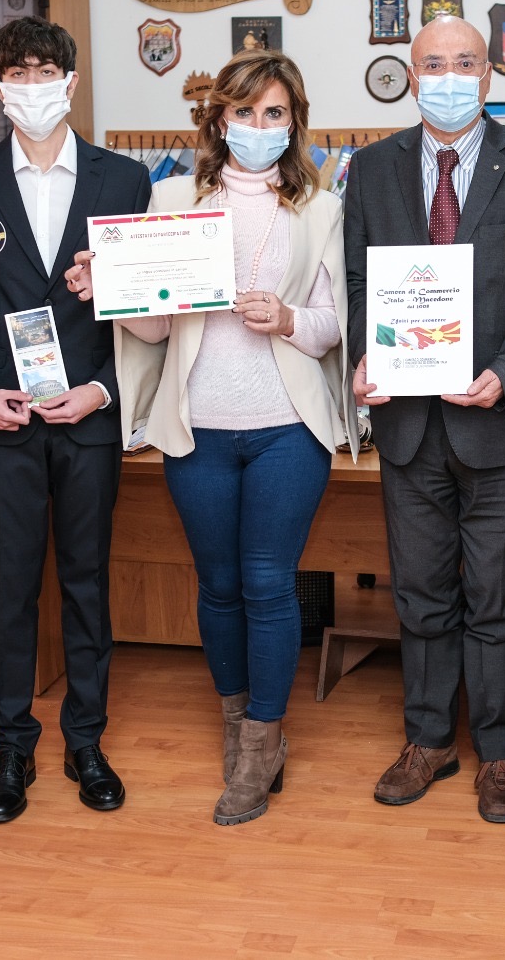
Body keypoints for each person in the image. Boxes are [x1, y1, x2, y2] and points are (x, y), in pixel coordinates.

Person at [65, 49, 354, 825]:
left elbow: (332, 328)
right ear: (218, 119)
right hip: (197, 429)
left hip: (287, 427)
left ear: (293, 123)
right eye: (244, 111)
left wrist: (287, 319)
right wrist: (113, 290)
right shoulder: (167, 199)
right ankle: (237, 722)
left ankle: (261, 743)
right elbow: (156, 328)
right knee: (219, 586)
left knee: (268, 583)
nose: (259, 126)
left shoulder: (321, 207)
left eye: (274, 113)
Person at [345, 16, 505, 825]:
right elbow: (358, 282)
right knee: (420, 594)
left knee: (499, 596)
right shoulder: (372, 168)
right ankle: (428, 740)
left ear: (488, 75)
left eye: (464, 63)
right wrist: (365, 356)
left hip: (501, 425)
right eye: (433, 64)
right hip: (408, 427)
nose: (448, 77)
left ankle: (499, 751)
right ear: (411, 75)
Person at [0, 16, 151, 823]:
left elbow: (144, 311)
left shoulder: (123, 180)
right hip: (6, 419)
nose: (33, 85)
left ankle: (86, 738)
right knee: (12, 585)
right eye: (17, 73)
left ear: (71, 81)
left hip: (88, 416)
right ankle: (12, 742)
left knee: (87, 582)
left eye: (45, 71)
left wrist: (102, 390)